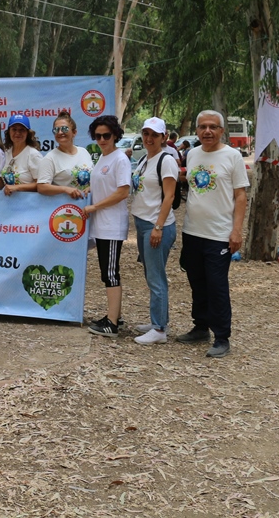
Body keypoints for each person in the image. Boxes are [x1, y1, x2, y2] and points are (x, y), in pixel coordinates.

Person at [175, 109, 248, 359]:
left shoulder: (232, 156)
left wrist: (236, 230)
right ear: (196, 130)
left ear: (221, 130)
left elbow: (240, 195)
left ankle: (222, 336)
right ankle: (200, 326)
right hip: (192, 231)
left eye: (213, 127)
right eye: (203, 126)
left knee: (217, 285)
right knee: (197, 282)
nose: (207, 131)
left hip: (219, 234)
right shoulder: (192, 154)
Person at [129, 118, 179, 345]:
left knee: (156, 277)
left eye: (155, 135)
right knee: (151, 274)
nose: (149, 138)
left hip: (156, 225)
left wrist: (158, 226)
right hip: (142, 223)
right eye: (146, 133)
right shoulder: (144, 159)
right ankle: (159, 320)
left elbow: (169, 196)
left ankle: (159, 330)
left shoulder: (166, 161)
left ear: (163, 137)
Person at [83, 115, 131, 338]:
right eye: (98, 135)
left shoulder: (120, 159)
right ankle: (114, 316)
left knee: (110, 273)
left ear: (115, 136)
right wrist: (88, 195)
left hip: (112, 224)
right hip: (101, 224)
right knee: (106, 272)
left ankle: (112, 323)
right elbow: (102, 187)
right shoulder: (102, 159)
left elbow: (123, 192)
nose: (102, 139)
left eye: (106, 135)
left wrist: (95, 207)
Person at [36, 111, 92, 202]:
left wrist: (91, 187)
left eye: (65, 129)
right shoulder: (50, 158)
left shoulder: (84, 152)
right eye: (56, 130)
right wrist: (65, 189)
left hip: (88, 205)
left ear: (74, 132)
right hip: (65, 209)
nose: (60, 132)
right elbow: (41, 187)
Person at [0, 114, 43, 196]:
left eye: (22, 130)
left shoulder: (33, 155)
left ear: (28, 133)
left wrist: (17, 187)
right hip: (9, 203)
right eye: (14, 129)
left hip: (29, 205)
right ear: (9, 132)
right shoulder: (6, 152)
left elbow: (42, 185)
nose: (17, 133)